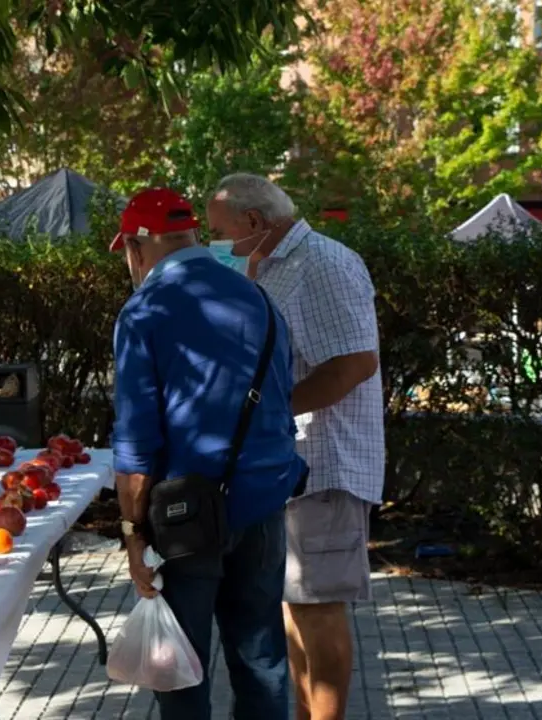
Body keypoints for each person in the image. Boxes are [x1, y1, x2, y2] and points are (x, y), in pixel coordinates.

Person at [110, 188, 307, 720]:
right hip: (264, 503)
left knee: (180, 666)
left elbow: (135, 443)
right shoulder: (259, 299)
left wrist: (132, 535)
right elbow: (281, 397)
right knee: (261, 661)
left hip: (186, 518)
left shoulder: (144, 311)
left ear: (137, 247)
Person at [205, 174, 384, 720]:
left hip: (325, 466)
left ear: (255, 223)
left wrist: (269, 413)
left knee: (317, 610)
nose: (217, 244)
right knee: (293, 608)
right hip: (290, 468)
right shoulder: (275, 265)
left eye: (219, 231)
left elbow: (354, 363)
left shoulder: (323, 263)